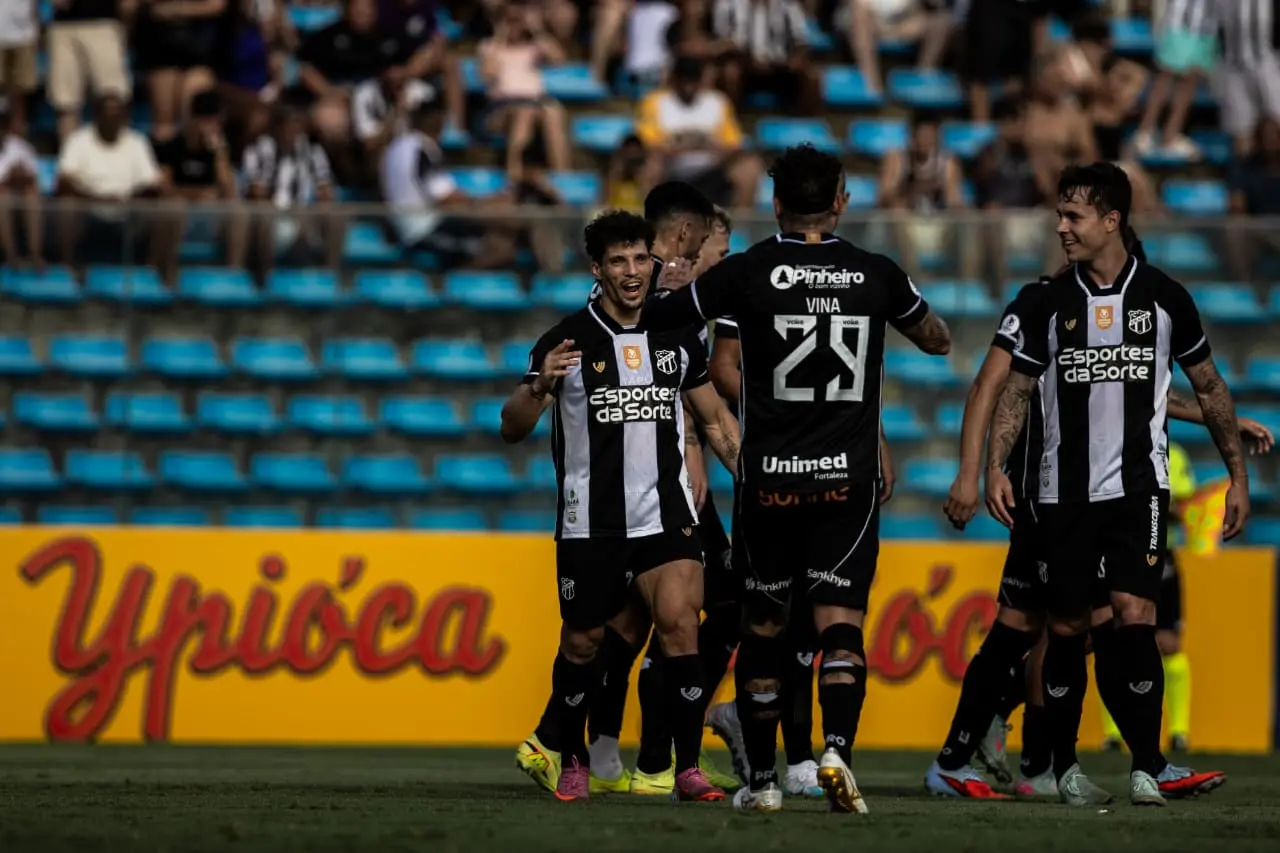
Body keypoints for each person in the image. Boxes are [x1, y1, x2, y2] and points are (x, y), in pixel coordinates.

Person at [642, 143, 952, 814]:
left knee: (762, 628)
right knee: (840, 622)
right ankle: (836, 748)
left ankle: (761, 783)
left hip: (770, 482)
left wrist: (663, 278)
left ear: (776, 203)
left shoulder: (748, 272)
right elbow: (936, 337)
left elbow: (663, 315)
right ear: (841, 200)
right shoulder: (876, 273)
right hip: (848, 480)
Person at [932, 246, 1269, 802]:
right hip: (1046, 493)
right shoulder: (1040, 304)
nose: (1066, 235)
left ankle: (1052, 757)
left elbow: (1140, 389)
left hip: (1103, 494)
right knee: (1035, 628)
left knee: (1076, 627)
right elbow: (989, 387)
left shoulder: (1135, 303)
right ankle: (1011, 754)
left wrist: (1221, 418)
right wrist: (973, 473)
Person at [985, 162, 1248, 807]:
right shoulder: (1048, 304)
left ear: (1112, 221)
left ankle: (1149, 764)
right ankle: (1065, 765)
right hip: (1060, 496)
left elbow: (1208, 389)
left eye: (1073, 217)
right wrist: (994, 464)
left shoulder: (1165, 298)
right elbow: (1016, 392)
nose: (1061, 228)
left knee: (1138, 618)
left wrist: (1237, 476)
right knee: (1070, 626)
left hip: (1140, 492)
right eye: (1059, 216)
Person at [504, 210, 741, 803]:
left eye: (640, 259)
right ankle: (571, 755)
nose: (632, 271)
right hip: (592, 524)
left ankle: (683, 768)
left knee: (683, 624)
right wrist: (539, 385)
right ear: (598, 269)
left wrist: (753, 481)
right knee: (583, 644)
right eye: (618, 261)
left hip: (665, 514)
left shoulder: (675, 337)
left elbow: (713, 419)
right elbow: (511, 425)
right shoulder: (567, 341)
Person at [572, 181, 739, 798]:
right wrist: (695, 449)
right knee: (650, 620)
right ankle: (637, 752)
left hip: (673, 480)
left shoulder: (669, 303)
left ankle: (629, 751)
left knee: (645, 621)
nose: (713, 267)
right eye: (714, 254)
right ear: (685, 241)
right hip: (653, 483)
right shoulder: (651, 304)